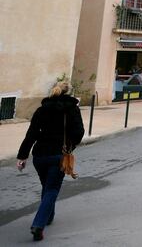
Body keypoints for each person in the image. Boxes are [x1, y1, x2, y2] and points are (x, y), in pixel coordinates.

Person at [16, 80, 85, 242]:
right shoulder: (72, 110)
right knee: (52, 188)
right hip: (58, 155)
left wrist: (22, 156)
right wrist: (70, 145)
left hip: (39, 156)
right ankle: (38, 225)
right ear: (68, 93)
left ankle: (48, 216)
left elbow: (31, 134)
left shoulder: (42, 109)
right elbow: (79, 132)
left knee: (47, 186)